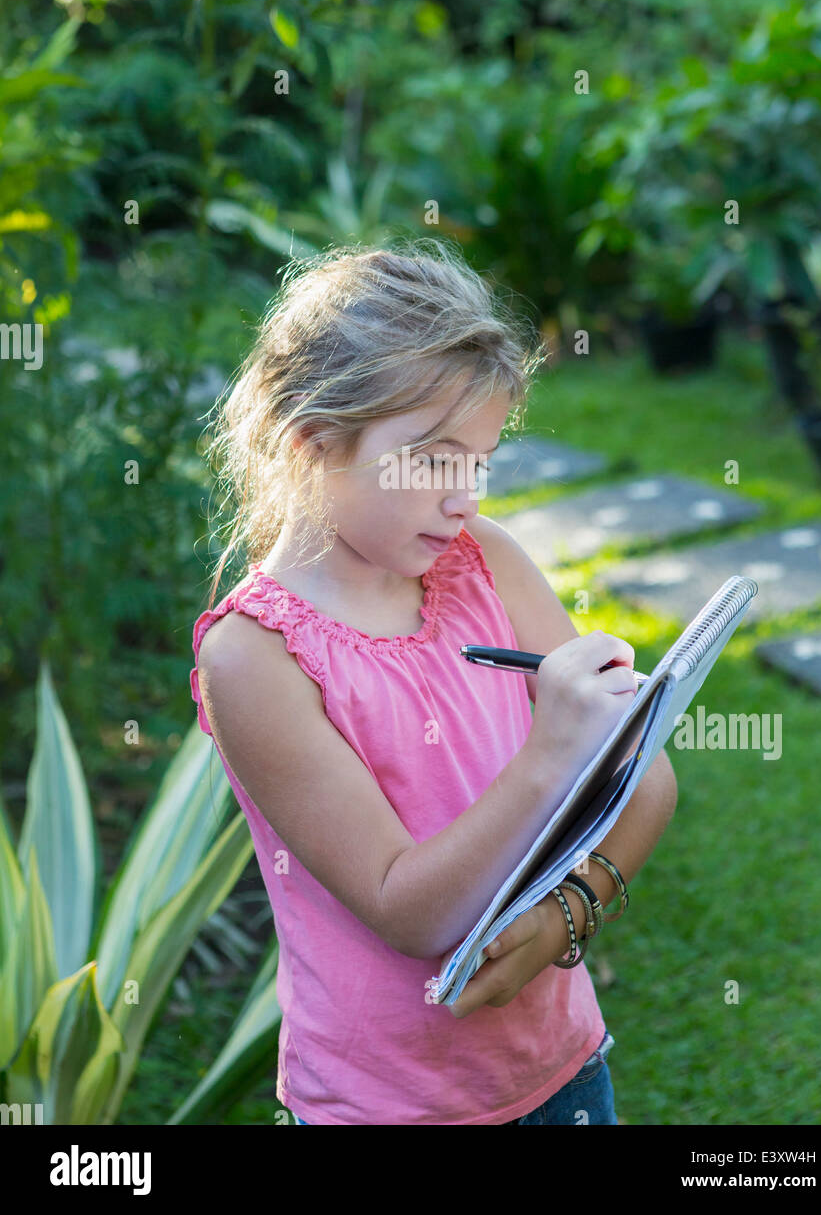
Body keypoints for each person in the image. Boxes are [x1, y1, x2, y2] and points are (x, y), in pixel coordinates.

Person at [190, 241, 678, 1126]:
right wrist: (551, 754)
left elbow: (646, 778)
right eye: (434, 459)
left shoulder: (486, 564)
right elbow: (407, 912)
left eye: (481, 460)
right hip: (386, 1106)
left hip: (561, 1069)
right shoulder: (254, 658)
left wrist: (567, 917)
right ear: (312, 443)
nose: (466, 497)